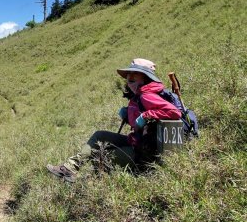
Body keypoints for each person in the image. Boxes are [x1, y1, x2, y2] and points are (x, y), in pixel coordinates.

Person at [47, 58, 181, 182]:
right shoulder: (140, 95)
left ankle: (91, 181)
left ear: (145, 78)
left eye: (135, 74)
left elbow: (174, 112)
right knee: (100, 136)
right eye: (128, 75)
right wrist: (130, 116)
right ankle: (69, 168)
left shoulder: (146, 95)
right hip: (139, 142)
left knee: (102, 155)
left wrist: (145, 116)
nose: (129, 77)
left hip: (144, 152)